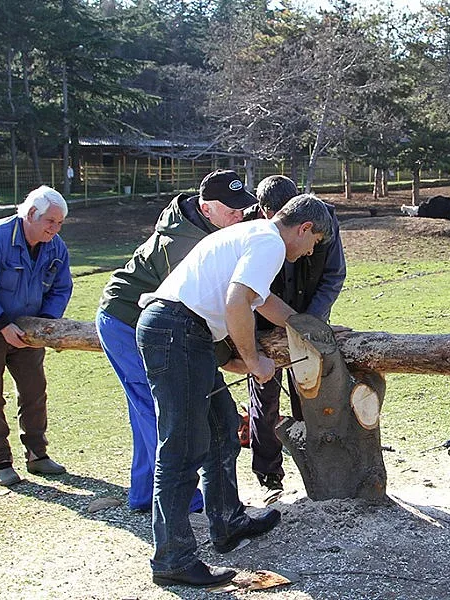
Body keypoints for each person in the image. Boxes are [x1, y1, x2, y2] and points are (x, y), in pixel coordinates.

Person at [136, 194, 332, 588]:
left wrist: (309, 328)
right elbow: (236, 302)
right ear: (304, 228)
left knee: (224, 428)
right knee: (182, 447)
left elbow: (264, 302)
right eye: (314, 242)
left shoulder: (254, 236)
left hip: (182, 331)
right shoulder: (270, 243)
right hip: (177, 332)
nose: (311, 251)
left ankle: (227, 521)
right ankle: (172, 557)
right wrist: (254, 361)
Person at [96, 169, 258, 513]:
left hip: (145, 320)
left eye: (241, 209)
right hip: (126, 321)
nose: (238, 217)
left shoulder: (213, 227)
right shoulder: (183, 244)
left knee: (147, 411)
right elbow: (190, 312)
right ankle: (181, 499)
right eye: (230, 211)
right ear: (205, 207)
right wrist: (227, 358)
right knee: (162, 412)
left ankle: (143, 494)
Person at [0, 186, 73, 487]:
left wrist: (43, 324)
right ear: (31, 214)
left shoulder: (56, 246)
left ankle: (38, 454)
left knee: (34, 390)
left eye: (60, 223)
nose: (55, 228)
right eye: (51, 221)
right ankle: (0, 461)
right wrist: (2, 326)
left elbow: (61, 287)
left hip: (28, 329)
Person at [247, 175, 346, 494]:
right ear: (263, 210)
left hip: (308, 314)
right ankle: (269, 477)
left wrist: (310, 323)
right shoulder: (248, 225)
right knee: (264, 398)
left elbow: (333, 275)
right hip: (261, 319)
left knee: (312, 395)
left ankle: (320, 472)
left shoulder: (322, 219)